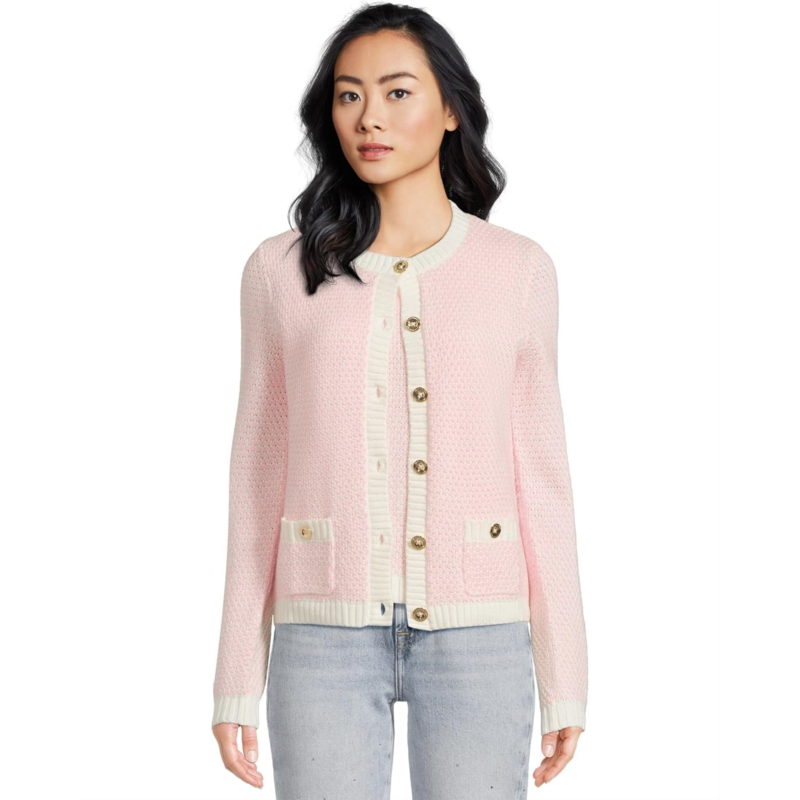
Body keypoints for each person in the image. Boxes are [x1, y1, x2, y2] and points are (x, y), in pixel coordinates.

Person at [210, 3, 588, 797]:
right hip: (321, 635)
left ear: (451, 109)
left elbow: (544, 482)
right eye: (348, 95)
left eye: (396, 92)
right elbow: (257, 475)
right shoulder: (280, 270)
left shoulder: (518, 269)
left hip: (481, 632)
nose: (369, 117)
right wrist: (236, 674)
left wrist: (566, 677)